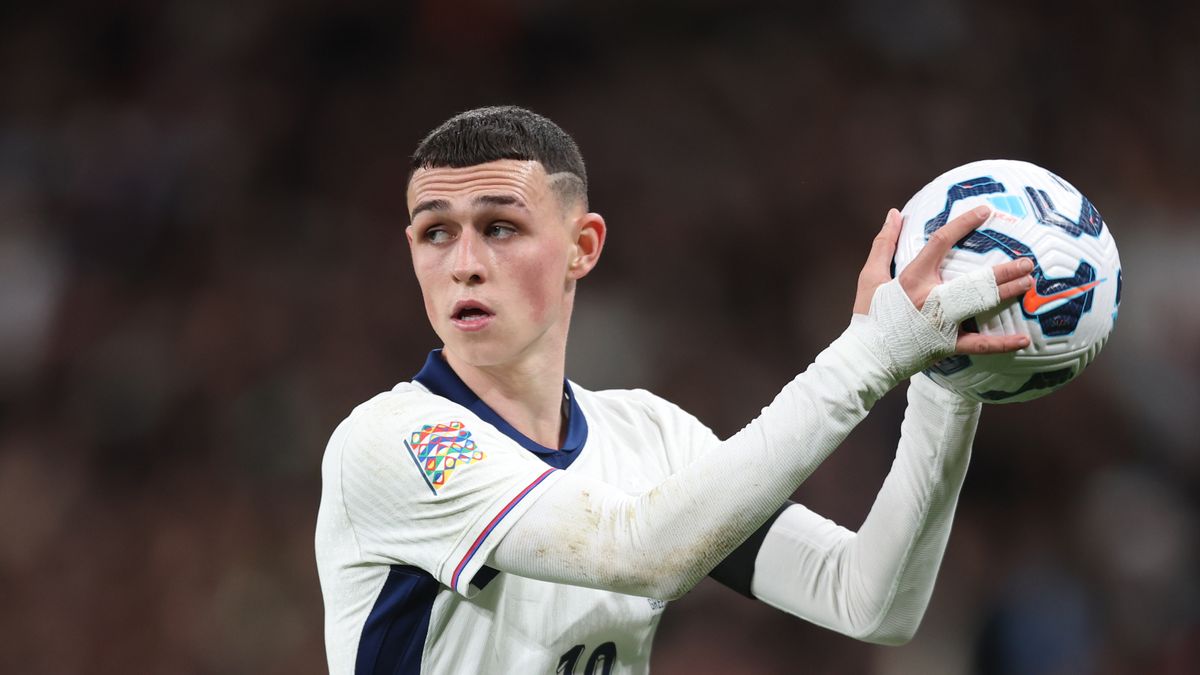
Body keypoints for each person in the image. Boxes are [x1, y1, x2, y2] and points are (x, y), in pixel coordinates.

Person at [314, 105, 1035, 674]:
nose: (464, 263)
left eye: (500, 226)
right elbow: (641, 552)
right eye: (435, 233)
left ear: (582, 246)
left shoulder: (647, 435)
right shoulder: (389, 441)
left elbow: (869, 599)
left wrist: (950, 384)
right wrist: (872, 350)